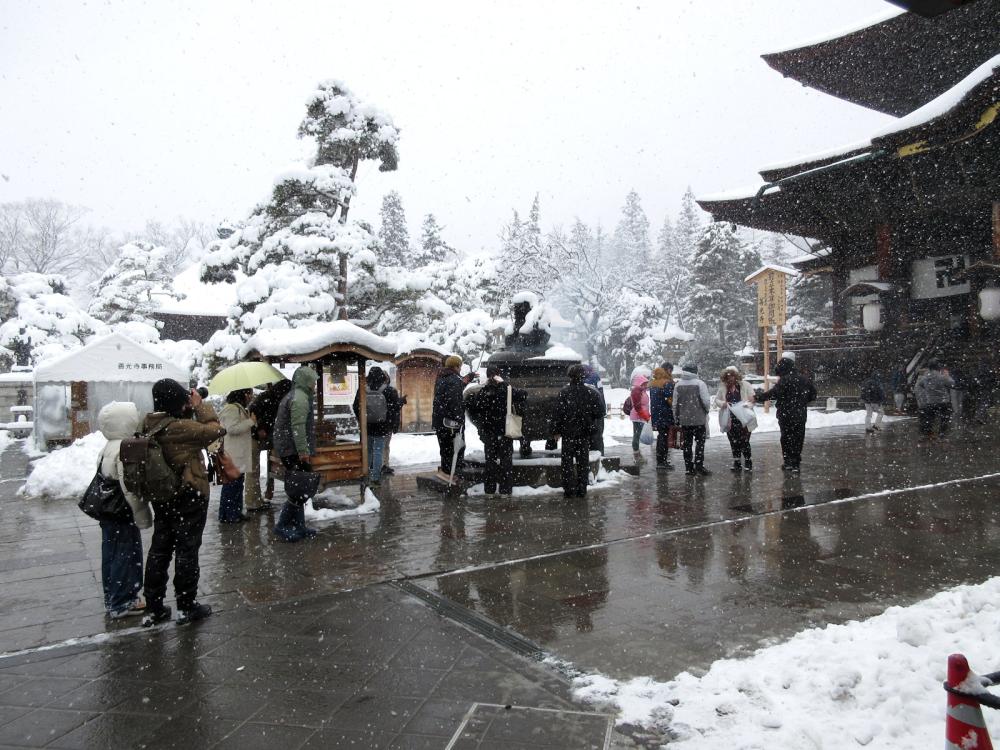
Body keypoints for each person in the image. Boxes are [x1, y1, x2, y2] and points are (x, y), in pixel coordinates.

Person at [142, 379, 224, 626]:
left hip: (163, 496)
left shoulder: (149, 423)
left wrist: (185, 408)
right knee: (187, 551)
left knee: (160, 550)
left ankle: (154, 607)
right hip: (188, 495)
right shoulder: (180, 428)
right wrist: (200, 405)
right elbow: (215, 430)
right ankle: (186, 606)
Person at [97, 401, 151, 619]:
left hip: (108, 511)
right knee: (126, 555)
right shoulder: (123, 448)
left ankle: (112, 597)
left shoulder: (108, 446)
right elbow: (128, 489)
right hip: (122, 511)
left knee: (111, 554)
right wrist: (142, 515)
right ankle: (123, 601)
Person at [272, 366, 320, 541]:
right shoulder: (299, 398)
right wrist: (303, 451)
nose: (315, 384)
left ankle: (299, 526)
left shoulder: (297, 394)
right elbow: (298, 427)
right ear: (305, 381)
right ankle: (282, 525)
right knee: (298, 489)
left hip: (289, 447)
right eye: (313, 381)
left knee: (300, 488)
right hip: (292, 449)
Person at [466, 366, 527, 496]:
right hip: (505, 432)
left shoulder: (483, 391)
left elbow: (474, 407)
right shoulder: (506, 390)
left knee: (490, 462)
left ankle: (490, 490)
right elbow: (523, 395)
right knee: (506, 462)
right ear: (499, 375)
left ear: (487, 376)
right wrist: (504, 384)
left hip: (489, 433)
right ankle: (505, 490)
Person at [755, 353, 817, 471]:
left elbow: (773, 393)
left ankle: (788, 461)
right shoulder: (804, 379)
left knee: (786, 438)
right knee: (798, 438)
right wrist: (802, 401)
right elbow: (813, 395)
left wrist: (757, 397)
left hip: (785, 414)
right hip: (800, 414)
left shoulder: (784, 380)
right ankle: (796, 462)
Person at [553, 364, 606, 498]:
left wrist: (556, 431)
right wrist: (589, 418)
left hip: (568, 432)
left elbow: (557, 414)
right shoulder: (591, 393)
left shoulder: (564, 393)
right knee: (583, 461)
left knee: (567, 462)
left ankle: (568, 489)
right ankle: (582, 488)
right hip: (584, 433)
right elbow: (600, 412)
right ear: (584, 376)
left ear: (570, 376)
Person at [352, 366, 403, 485]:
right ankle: (376, 477)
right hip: (382, 425)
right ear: (382, 376)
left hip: (368, 425)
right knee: (378, 450)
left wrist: (362, 419)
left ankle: (367, 475)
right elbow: (395, 408)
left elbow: (355, 406)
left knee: (369, 450)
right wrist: (390, 421)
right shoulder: (389, 390)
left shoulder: (362, 390)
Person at [249, 378, 293, 506]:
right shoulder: (266, 398)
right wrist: (259, 428)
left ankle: (256, 500)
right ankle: (253, 502)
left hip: (267, 435)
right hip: (256, 436)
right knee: (253, 471)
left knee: (255, 471)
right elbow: (252, 412)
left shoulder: (276, 399)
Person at [218, 388, 255, 523]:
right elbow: (232, 429)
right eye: (250, 394)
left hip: (236, 453)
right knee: (232, 485)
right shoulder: (232, 409)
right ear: (244, 394)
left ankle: (233, 513)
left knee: (236, 484)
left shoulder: (238, 408)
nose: (251, 397)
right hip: (233, 455)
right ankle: (230, 515)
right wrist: (250, 421)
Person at [673, 364, 712, 476]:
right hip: (699, 419)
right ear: (695, 372)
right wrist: (706, 411)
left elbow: (675, 404)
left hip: (684, 420)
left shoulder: (678, 385)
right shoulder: (700, 384)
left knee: (687, 444)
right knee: (700, 443)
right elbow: (706, 401)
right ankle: (699, 466)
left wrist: (676, 417)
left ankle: (688, 468)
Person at [433, 355, 466, 481]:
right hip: (450, 422)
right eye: (460, 366)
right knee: (456, 447)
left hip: (440, 419)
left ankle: (445, 472)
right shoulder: (454, 380)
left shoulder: (441, 378)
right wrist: (459, 419)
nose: (460, 368)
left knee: (445, 448)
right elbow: (454, 401)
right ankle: (453, 474)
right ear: (456, 366)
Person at [714, 366, 755, 471]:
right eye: (728, 376)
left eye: (732, 376)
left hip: (743, 418)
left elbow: (752, 399)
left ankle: (748, 461)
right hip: (730, 418)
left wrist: (746, 405)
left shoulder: (745, 385)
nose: (730, 378)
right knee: (733, 440)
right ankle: (737, 462)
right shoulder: (723, 387)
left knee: (744, 440)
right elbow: (717, 400)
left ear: (736, 376)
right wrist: (723, 404)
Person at [914, 360, 954, 439]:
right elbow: (952, 383)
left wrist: (930, 389)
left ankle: (928, 434)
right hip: (943, 401)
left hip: (930, 401)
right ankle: (942, 434)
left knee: (930, 419)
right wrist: (947, 375)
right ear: (938, 367)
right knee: (944, 419)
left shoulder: (925, 377)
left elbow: (920, 384)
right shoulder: (942, 377)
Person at [648, 367, 675, 470]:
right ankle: (662, 462)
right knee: (664, 437)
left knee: (661, 437)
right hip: (665, 414)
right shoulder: (666, 383)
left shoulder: (653, 385)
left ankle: (660, 460)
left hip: (656, 414)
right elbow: (670, 399)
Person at [582, 365, 607, 455]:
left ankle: (587, 456)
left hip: (584, 413)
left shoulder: (579, 379)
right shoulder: (595, 377)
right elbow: (601, 393)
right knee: (597, 437)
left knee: (585, 437)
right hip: (597, 411)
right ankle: (599, 456)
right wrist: (603, 410)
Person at [628, 373, 651, 453]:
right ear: (640, 383)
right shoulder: (636, 391)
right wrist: (645, 416)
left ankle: (636, 449)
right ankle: (636, 450)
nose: (646, 385)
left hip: (641, 415)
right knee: (637, 434)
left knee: (637, 433)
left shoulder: (642, 391)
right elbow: (637, 406)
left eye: (646, 383)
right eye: (644, 383)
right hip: (638, 416)